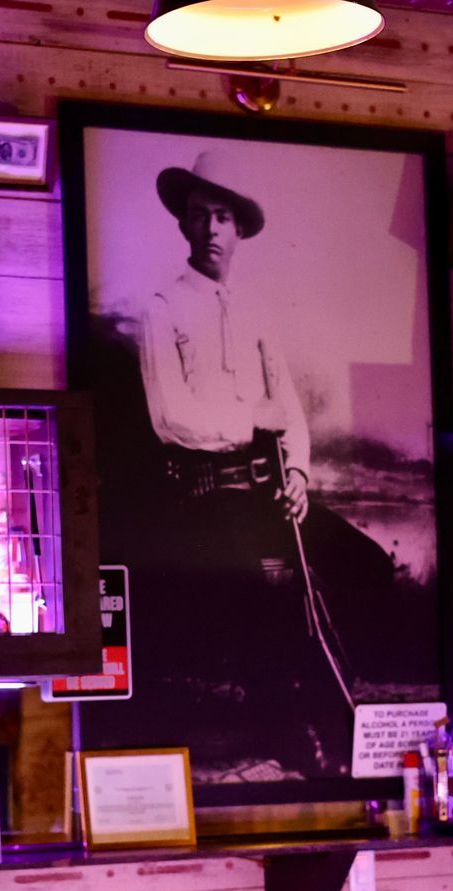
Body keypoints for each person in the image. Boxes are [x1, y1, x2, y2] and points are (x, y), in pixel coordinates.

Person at [129, 151, 395, 778]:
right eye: (200, 216)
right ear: (184, 226)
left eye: (224, 217)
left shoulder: (257, 312)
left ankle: (338, 708)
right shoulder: (163, 308)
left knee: (365, 566)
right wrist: (252, 421)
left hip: (271, 490)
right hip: (206, 497)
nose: (212, 230)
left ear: (240, 229)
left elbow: (291, 411)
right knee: (264, 605)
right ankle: (291, 738)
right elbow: (171, 416)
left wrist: (298, 474)